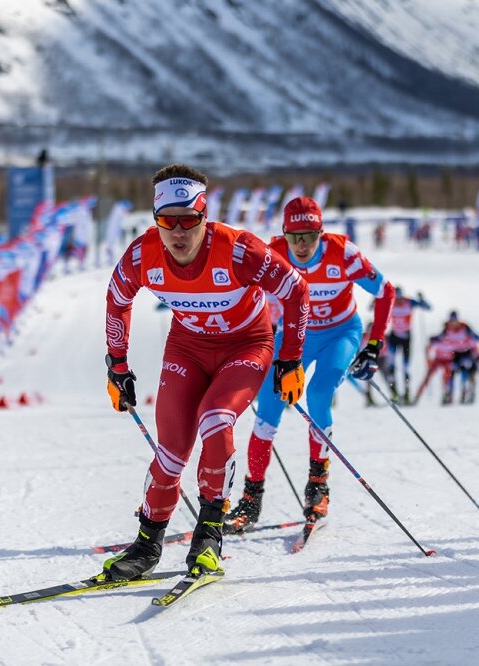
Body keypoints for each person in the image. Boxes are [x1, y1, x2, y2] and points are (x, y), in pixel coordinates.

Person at [100, 164, 310, 581]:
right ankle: (147, 544)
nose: (178, 233)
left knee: (216, 419)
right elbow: (117, 298)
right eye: (167, 222)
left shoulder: (238, 250)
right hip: (188, 348)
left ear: (204, 215)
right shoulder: (143, 254)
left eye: (189, 220)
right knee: (171, 451)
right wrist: (117, 365)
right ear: (155, 220)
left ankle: (210, 532)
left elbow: (296, 290)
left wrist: (290, 360)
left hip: (246, 345)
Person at [225, 196, 394, 533]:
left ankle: (318, 485)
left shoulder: (343, 253)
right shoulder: (271, 253)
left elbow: (386, 291)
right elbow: (237, 288)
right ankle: (251, 498)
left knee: (319, 393)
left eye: (309, 236)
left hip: (340, 333)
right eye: (293, 237)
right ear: (283, 234)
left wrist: (374, 346)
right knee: (268, 408)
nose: (301, 245)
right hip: (295, 336)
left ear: (321, 231)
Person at [387, 286, 431, 403]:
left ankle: (406, 393)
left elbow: (427, 307)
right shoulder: (390, 301)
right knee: (391, 365)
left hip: (406, 337)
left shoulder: (409, 302)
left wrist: (422, 299)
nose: (399, 301)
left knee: (405, 367)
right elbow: (372, 307)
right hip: (394, 336)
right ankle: (394, 393)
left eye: (400, 298)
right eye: (397, 299)